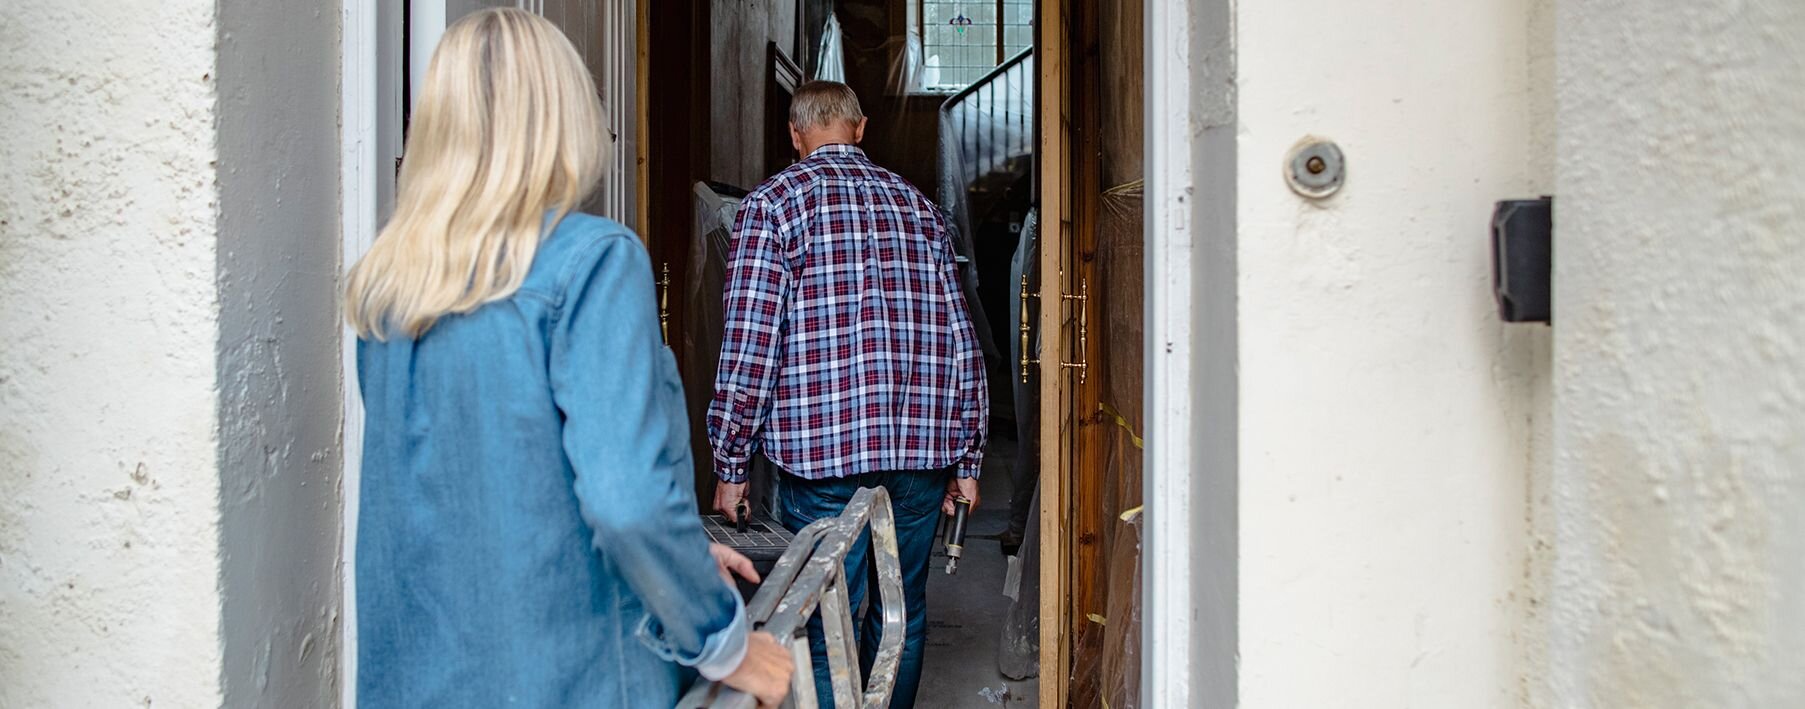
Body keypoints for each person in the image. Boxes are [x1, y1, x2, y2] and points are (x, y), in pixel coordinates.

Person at [345, 9, 790, 707]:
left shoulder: (388, 287)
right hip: (567, 678)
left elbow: (482, 497)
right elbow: (625, 503)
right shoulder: (590, 262)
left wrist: (671, 564)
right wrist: (723, 640)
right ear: (566, 117)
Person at [709, 80, 989, 707]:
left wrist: (730, 465)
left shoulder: (773, 206)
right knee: (901, 613)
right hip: (921, 453)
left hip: (821, 457)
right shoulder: (918, 208)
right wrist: (968, 459)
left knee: (818, 615)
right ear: (860, 129)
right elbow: (959, 332)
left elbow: (750, 345)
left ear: (794, 134)